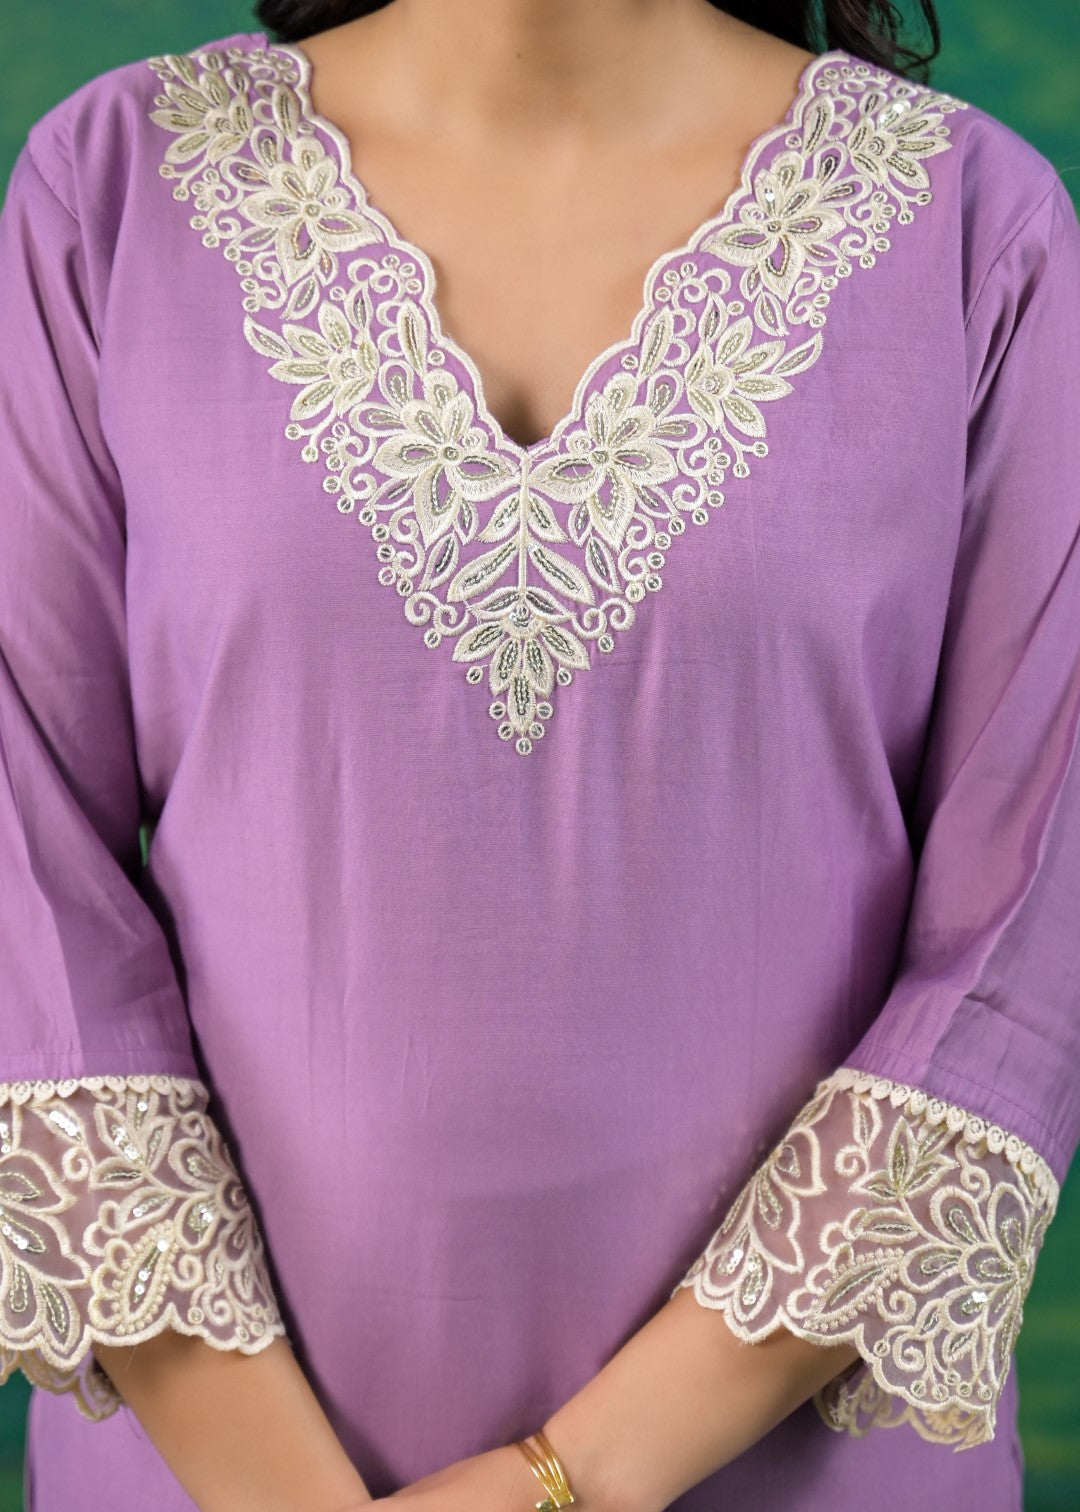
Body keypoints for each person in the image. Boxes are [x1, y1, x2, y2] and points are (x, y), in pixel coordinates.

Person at [1, 0, 1078, 1507]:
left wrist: (568, 1480)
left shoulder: (977, 229)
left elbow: (1022, 950)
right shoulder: (113, 191)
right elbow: (26, 891)